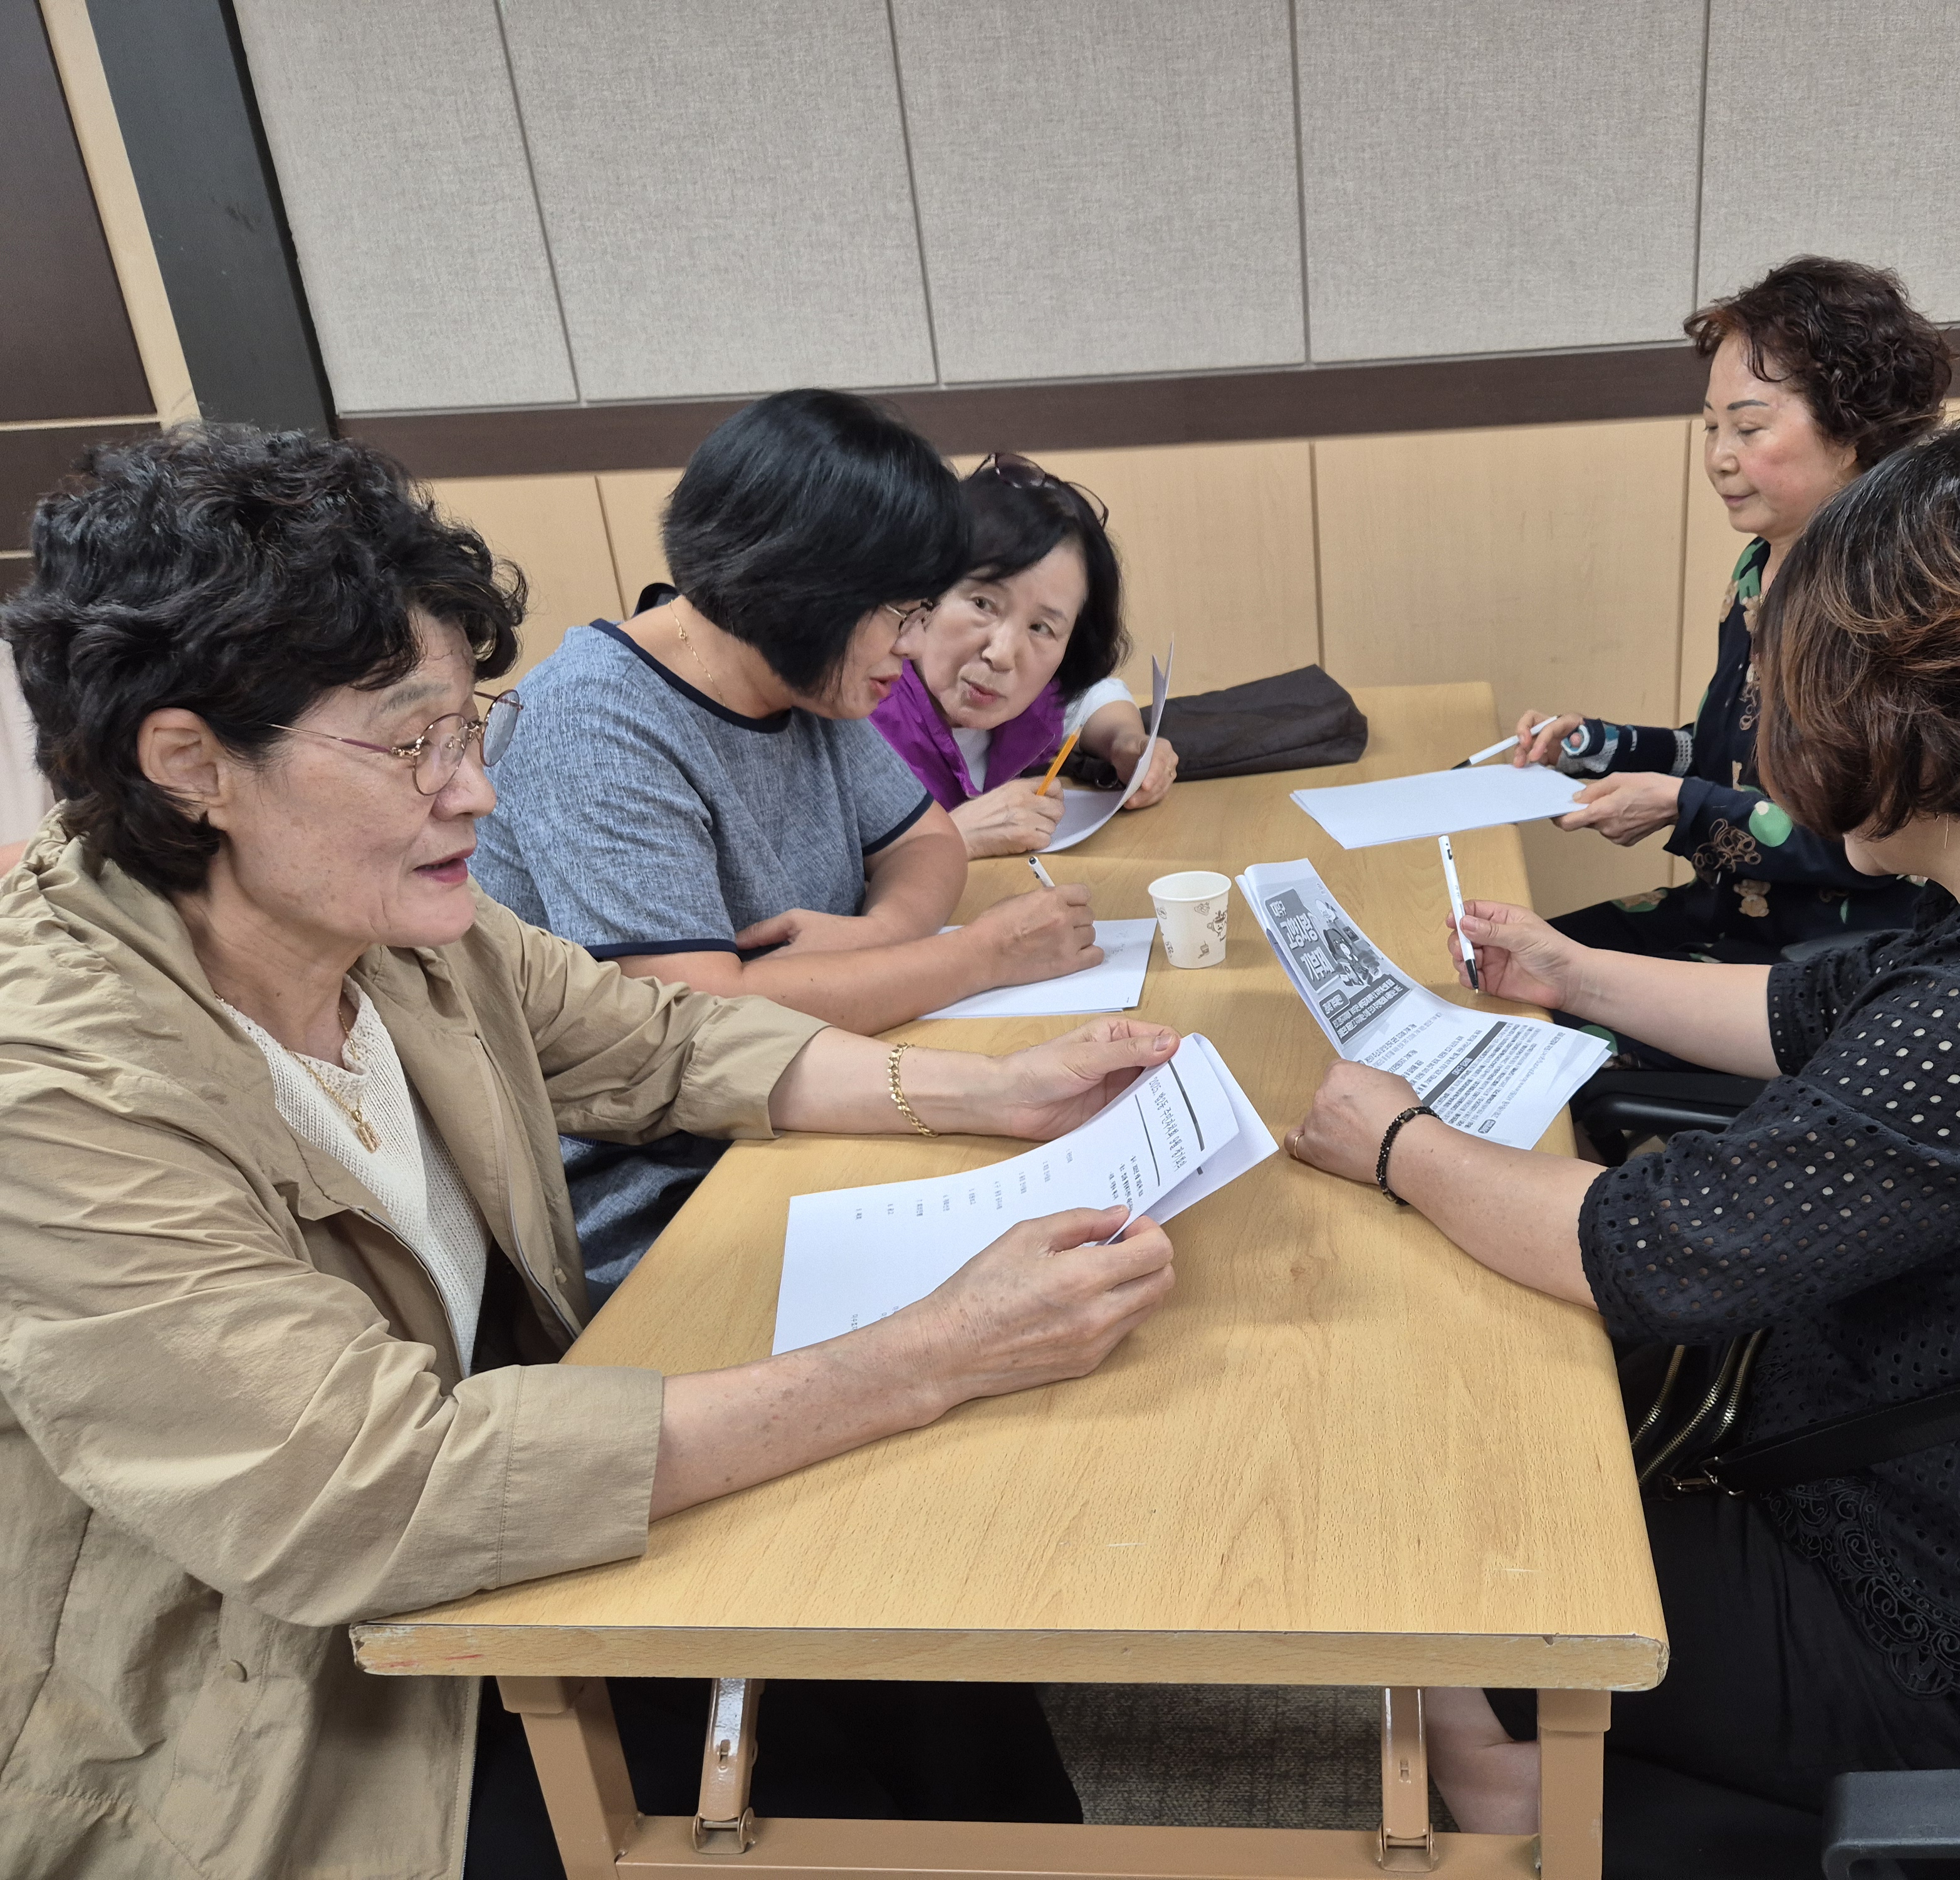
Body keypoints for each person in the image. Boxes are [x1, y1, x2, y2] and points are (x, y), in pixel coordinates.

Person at [0, 426, 1185, 1880]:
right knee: (827, 1709)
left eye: (469, 728)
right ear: (191, 763)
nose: (474, 793)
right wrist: (930, 1351)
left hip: (478, 1513)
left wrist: (991, 1091)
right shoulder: (56, 1087)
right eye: (412, 745)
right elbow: (365, 1493)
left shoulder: (381, 918)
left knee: (919, 1650)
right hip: (263, 1698)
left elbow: (656, 1035)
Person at [1284, 414, 1960, 1872]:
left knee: (1435, 1505)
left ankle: (1503, 1794)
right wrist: (1571, 971)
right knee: (1509, 1417)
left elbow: (1650, 1252)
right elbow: (1819, 1005)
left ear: (1908, 717)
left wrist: (1395, 1140)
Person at [473, 392, 1104, 1298]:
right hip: (670, 1193)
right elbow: (700, 1025)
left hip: (817, 1095)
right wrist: (977, 958)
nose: (914, 645)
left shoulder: (800, 674)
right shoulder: (594, 722)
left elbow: (928, 846)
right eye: (902, 612)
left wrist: (870, 935)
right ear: (805, 591)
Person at [1511, 258, 1954, 1012]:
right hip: (1722, 920)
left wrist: (1681, 806)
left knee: (1531, 1018)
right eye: (1711, 427)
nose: (1719, 457)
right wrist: (1599, 747)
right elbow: (1731, 756)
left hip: (1828, 970)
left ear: (1853, 432)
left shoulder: (1892, 601)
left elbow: (1880, 844)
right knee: (1499, 973)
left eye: (1748, 428)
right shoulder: (1759, 567)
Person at [873, 452, 1177, 857]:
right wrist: (953, 837)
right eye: (983, 604)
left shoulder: (1035, 690)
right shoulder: (859, 704)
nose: (1002, 655)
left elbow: (1089, 698)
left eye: (1041, 628)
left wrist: (1125, 742)